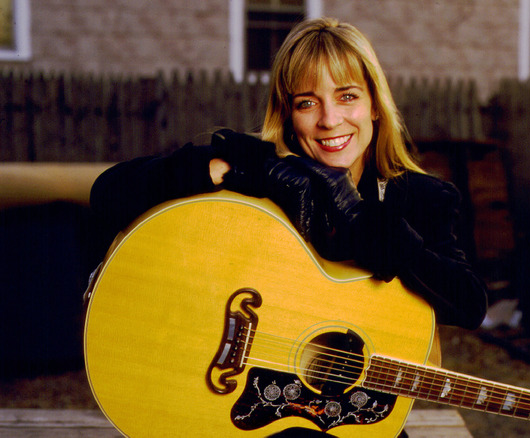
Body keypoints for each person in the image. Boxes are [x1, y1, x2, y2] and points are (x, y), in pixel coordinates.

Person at [90, 17, 487, 437]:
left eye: (347, 96)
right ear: (288, 114)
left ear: (374, 104)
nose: (330, 120)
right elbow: (107, 196)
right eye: (307, 102)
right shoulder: (264, 176)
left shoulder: (422, 197)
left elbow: (469, 304)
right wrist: (231, 168)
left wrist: (368, 226)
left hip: (346, 419)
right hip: (243, 412)